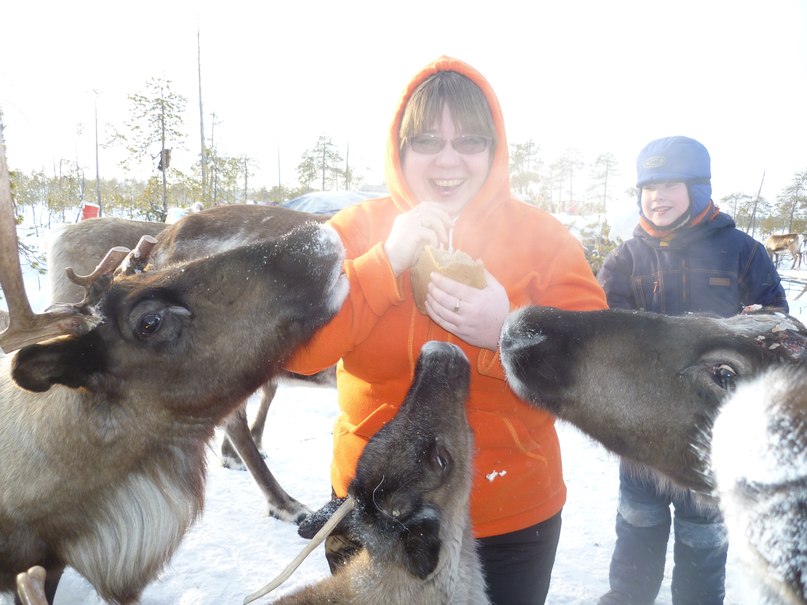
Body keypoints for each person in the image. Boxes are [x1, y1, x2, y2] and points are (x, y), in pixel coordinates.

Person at [286, 56, 608, 604]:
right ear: (400, 148)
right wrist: (384, 264)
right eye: (428, 141)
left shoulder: (544, 240)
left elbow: (599, 377)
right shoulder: (356, 230)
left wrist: (505, 332)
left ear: (495, 149)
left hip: (509, 517)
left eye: (471, 142)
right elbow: (297, 349)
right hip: (374, 512)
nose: (449, 161)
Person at [596, 135, 789, 605]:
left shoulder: (743, 252)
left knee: (703, 538)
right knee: (637, 524)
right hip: (640, 430)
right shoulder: (626, 258)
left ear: (698, 189)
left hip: (714, 435)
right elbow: (600, 329)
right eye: (648, 187)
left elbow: (782, 328)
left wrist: (762, 323)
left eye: (669, 184)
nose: (656, 197)